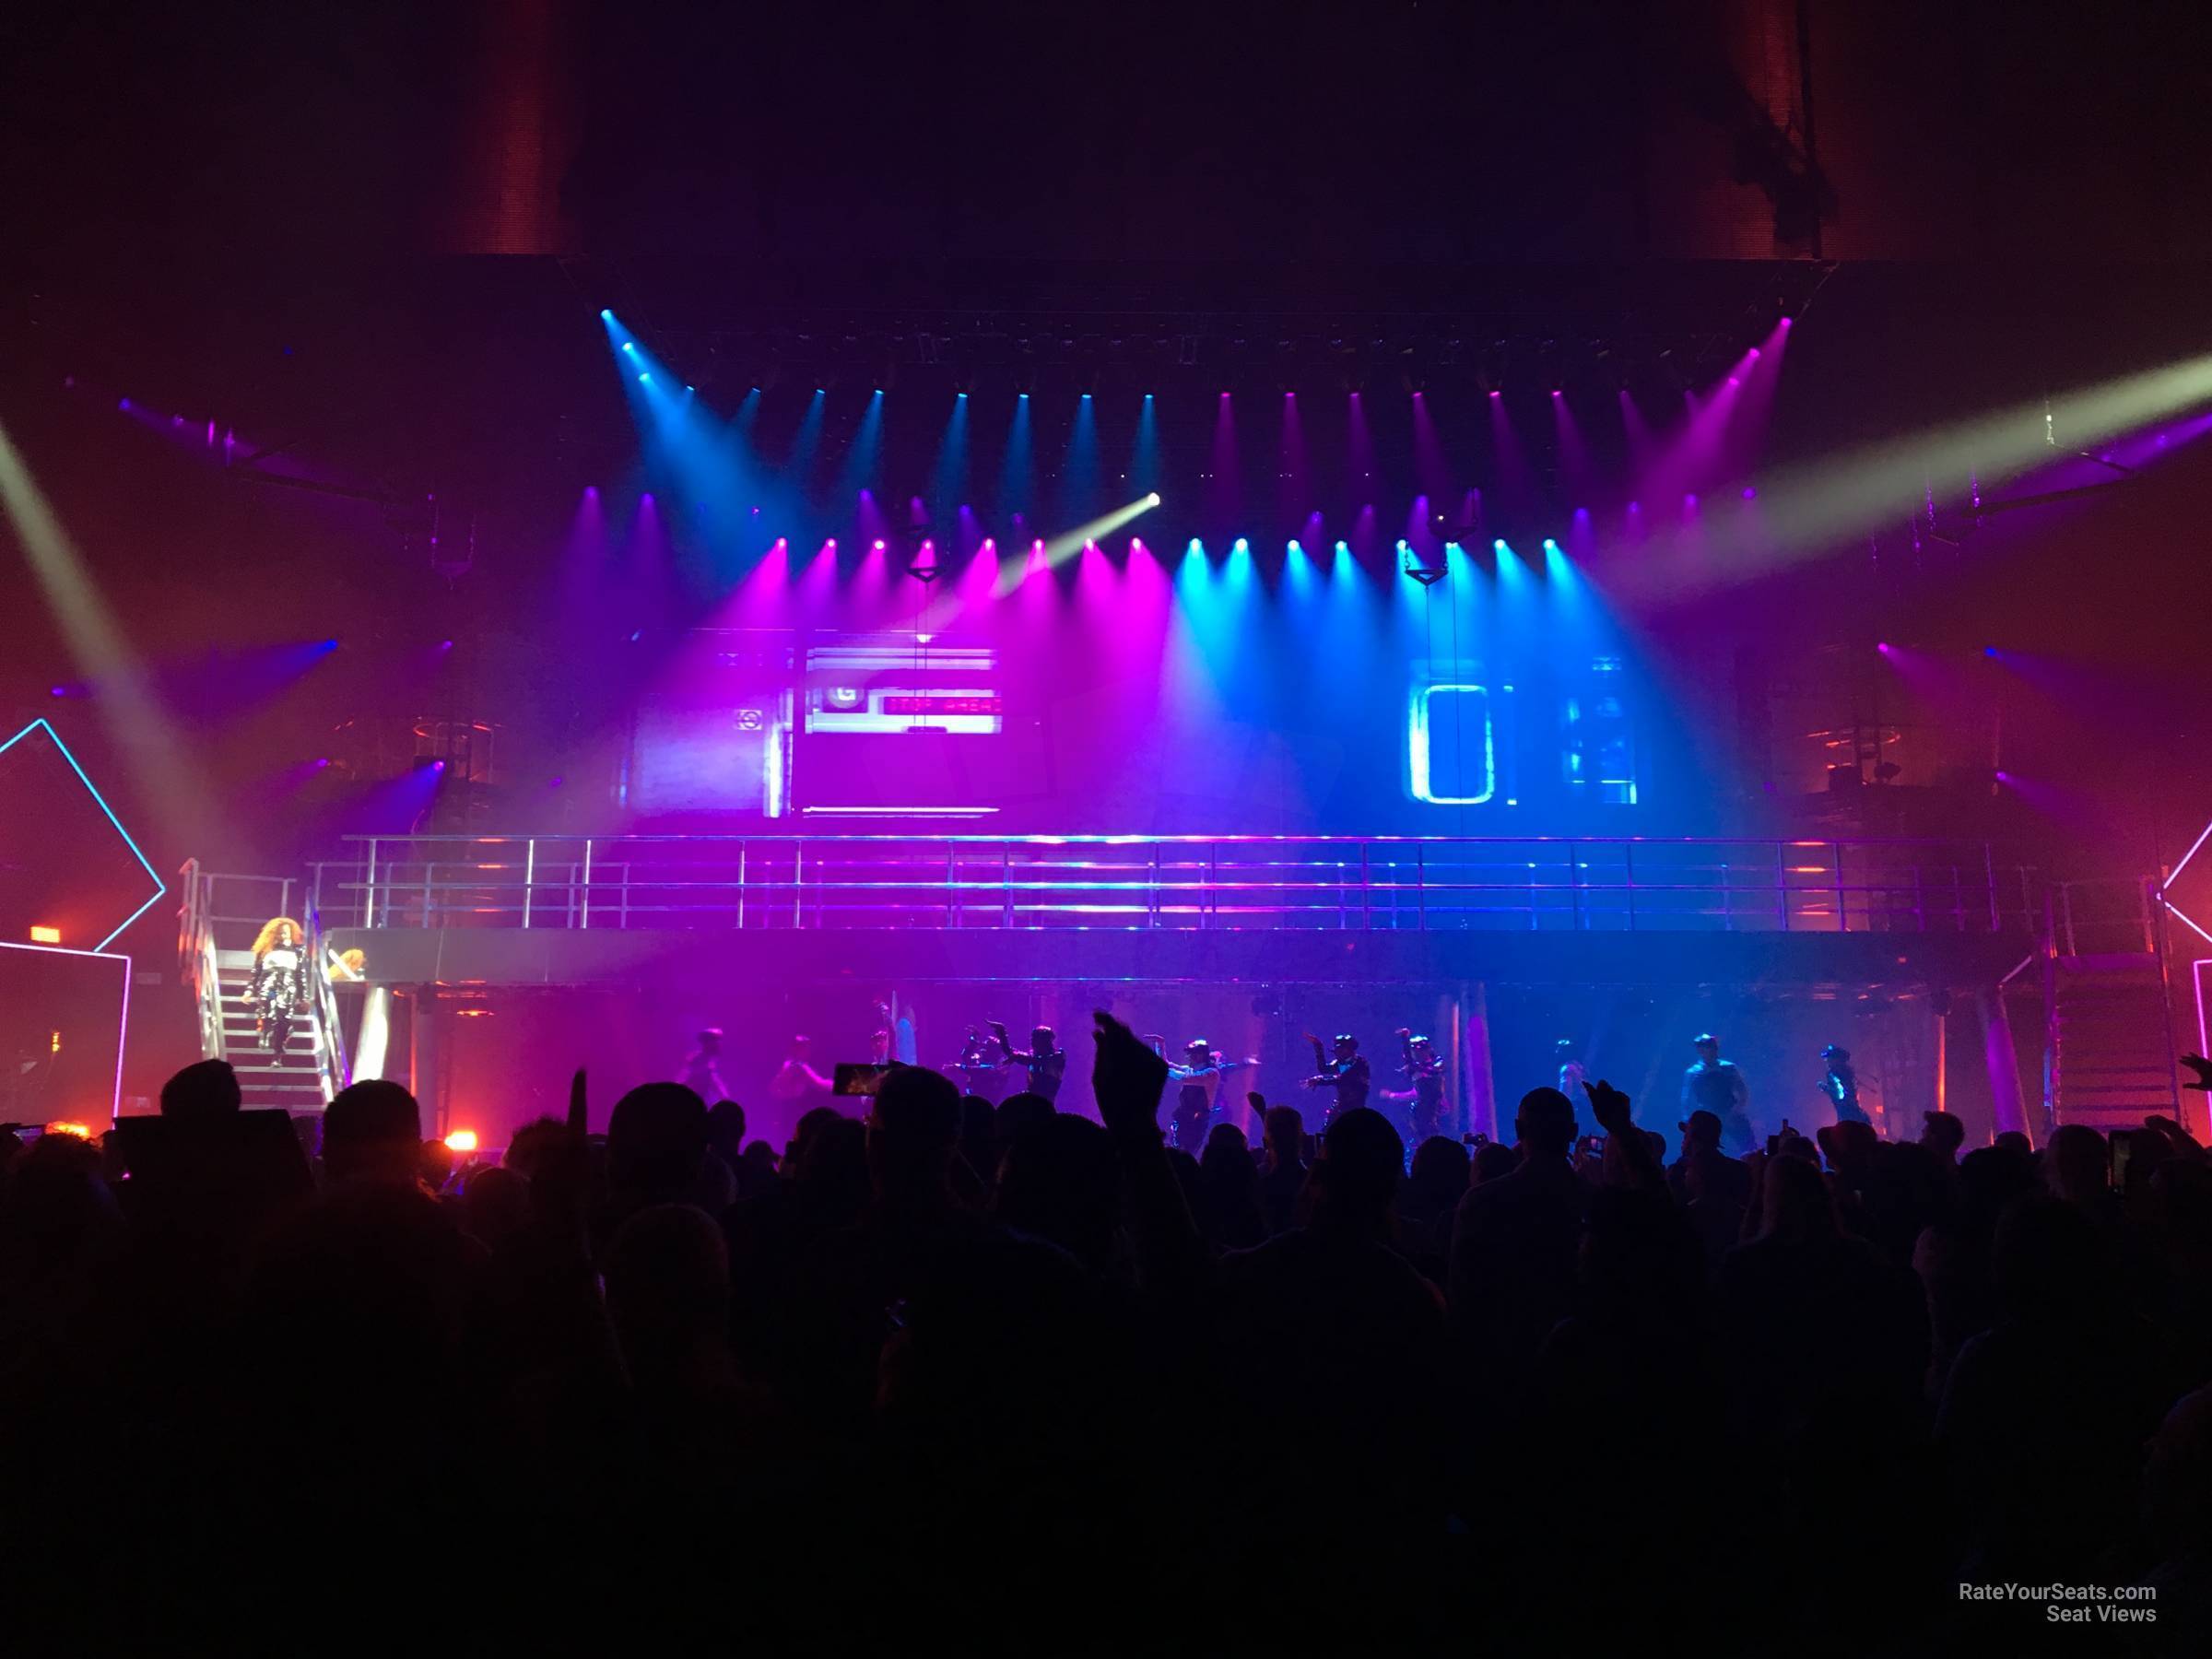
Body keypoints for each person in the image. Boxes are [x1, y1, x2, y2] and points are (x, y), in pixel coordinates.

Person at [1163, 1039, 1257, 1153]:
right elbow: (1170, 1066)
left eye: (1219, 1058)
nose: (1188, 1057)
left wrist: (1246, 1063)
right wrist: (1160, 1045)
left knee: (1196, 1142)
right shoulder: (1193, 1069)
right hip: (1190, 1113)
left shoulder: (1213, 1071)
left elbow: (1232, 1067)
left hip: (1208, 1111)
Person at [246, 917, 312, 1063]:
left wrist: (304, 997)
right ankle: (265, 1030)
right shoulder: (265, 948)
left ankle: (277, 1055)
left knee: (283, 1020)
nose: (283, 936)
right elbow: (256, 971)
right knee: (268, 1008)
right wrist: (249, 989)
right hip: (270, 985)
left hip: (288, 988)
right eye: (280, 933)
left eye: (286, 933)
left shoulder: (298, 951)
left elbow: (300, 974)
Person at [1680, 1031, 1752, 1155]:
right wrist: (1688, 1120)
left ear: (1715, 1048)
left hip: (1730, 1112)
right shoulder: (1692, 1073)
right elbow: (1686, 1098)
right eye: (1701, 1047)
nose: (1704, 1050)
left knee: (1748, 1145)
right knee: (1702, 1150)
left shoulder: (1729, 1068)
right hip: (1706, 1117)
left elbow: (1743, 1093)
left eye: (1708, 1046)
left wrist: (1734, 1112)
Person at [1382, 1028, 1448, 1144]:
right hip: (1422, 1110)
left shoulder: (1436, 1062)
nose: (1418, 1054)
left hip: (1436, 1109)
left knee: (1435, 1135)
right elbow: (1418, 1092)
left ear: (1428, 1050)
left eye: (1421, 1051)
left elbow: (1436, 1071)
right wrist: (1404, 1039)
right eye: (1415, 1052)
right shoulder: (1414, 1069)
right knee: (1421, 1136)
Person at [988, 1019, 1066, 1104]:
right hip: (1030, 1102)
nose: (1031, 1041)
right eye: (1032, 1038)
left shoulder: (1057, 1056)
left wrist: (1017, 1056)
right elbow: (1012, 1052)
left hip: (1045, 1105)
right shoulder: (1033, 1057)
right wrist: (1002, 1033)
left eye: (1036, 1038)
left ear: (1045, 1040)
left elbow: (1039, 1061)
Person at [1301, 1031, 1371, 1125]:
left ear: (1348, 1050)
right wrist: (1318, 1046)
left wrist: (1320, 1080)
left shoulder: (1360, 1063)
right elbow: (1323, 1069)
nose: (1337, 1054)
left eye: (1340, 1051)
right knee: (1328, 1130)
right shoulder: (1339, 1063)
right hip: (1341, 1105)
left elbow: (1343, 1080)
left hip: (1355, 1107)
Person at [767, 1035, 832, 1112]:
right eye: (805, 1047)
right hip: (789, 1108)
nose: (808, 1050)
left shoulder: (788, 1063)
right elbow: (820, 1084)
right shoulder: (798, 1066)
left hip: (780, 1107)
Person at [1818, 1043, 1868, 1127]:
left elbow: (1840, 1094)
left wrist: (1825, 1087)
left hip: (1847, 1110)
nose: (1827, 1061)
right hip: (1850, 1109)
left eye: (1829, 1059)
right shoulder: (1846, 1072)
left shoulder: (1834, 1074)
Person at [680, 1028, 728, 1102]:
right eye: (715, 1040)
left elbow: (715, 1082)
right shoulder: (697, 1060)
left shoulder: (712, 1060)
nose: (719, 1044)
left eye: (718, 1040)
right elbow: (684, 1078)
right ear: (707, 1043)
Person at [1555, 1038, 1585, 1104]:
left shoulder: (1567, 1068)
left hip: (1575, 1106)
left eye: (1559, 1049)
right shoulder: (1579, 1066)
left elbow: (1565, 1092)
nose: (1556, 1051)